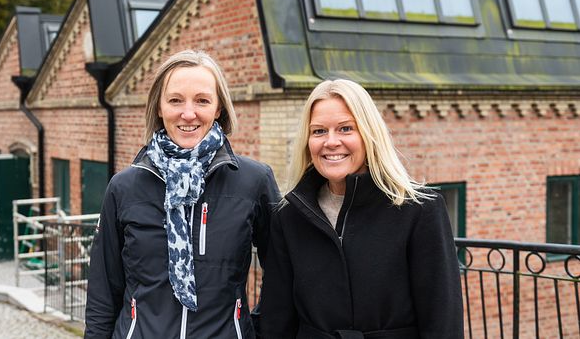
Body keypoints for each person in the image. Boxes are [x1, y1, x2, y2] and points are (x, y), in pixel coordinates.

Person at [85, 50, 280, 339]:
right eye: (175, 100)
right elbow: (103, 289)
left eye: (202, 100)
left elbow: (282, 273)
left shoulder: (254, 181)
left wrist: (252, 330)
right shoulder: (123, 188)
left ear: (218, 109)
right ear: (159, 108)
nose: (188, 113)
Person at [260, 79, 463, 339]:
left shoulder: (419, 210)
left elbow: (442, 322)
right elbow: (276, 321)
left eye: (345, 129)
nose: (331, 142)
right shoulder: (289, 216)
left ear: (369, 135)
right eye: (319, 131)